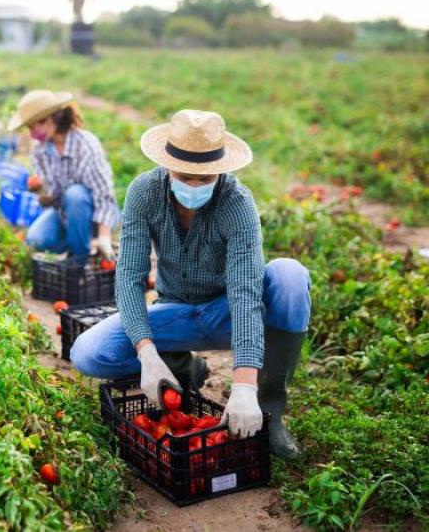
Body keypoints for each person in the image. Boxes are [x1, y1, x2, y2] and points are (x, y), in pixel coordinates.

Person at [69, 109, 311, 459]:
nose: (195, 186)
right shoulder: (144, 193)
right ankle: (182, 366)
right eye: (186, 176)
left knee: (289, 275)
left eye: (206, 178)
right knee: (89, 352)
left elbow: (245, 294)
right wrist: (147, 353)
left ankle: (269, 413)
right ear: (168, 166)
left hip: (225, 312)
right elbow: (130, 277)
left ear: (221, 169)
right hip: (175, 311)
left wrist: (243, 385)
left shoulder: (237, 204)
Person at [8, 90, 119, 260]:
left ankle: (80, 260)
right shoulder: (40, 150)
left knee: (75, 194)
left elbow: (103, 195)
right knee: (36, 239)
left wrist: (103, 235)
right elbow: (53, 194)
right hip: (65, 214)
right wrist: (42, 193)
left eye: (33, 127)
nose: (32, 134)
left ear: (51, 119)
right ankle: (81, 246)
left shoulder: (85, 145)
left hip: (94, 215)